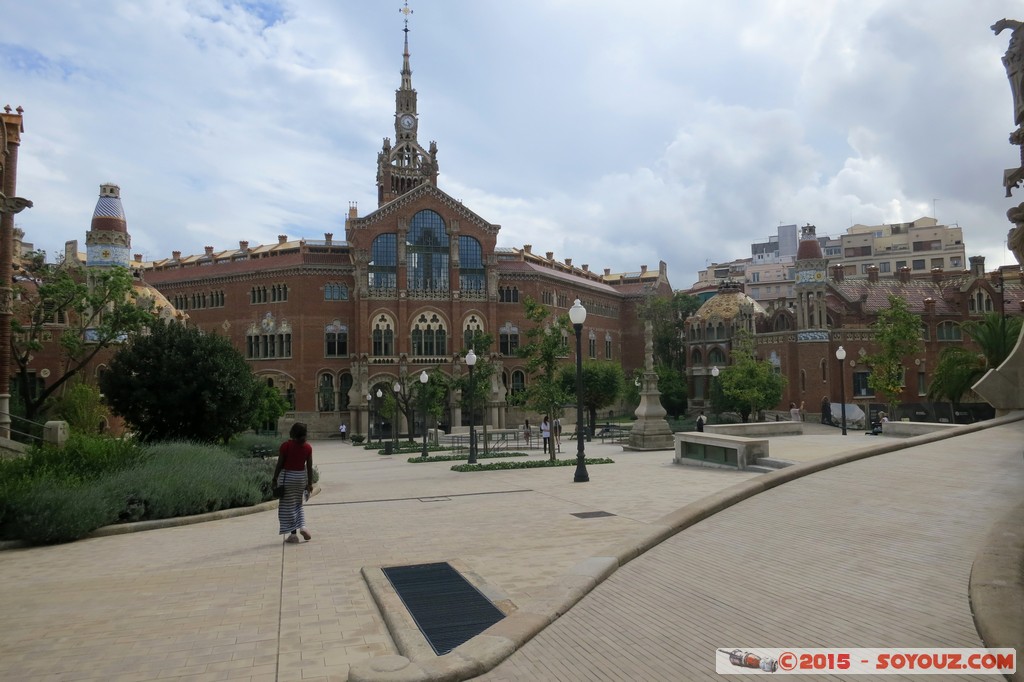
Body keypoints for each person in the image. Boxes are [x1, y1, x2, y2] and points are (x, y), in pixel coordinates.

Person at [273, 422, 314, 543]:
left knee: (287, 507)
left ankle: (293, 535)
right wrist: (309, 483)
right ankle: (303, 527)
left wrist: (274, 479)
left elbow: (279, 464)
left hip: (288, 477)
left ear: (293, 433)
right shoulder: (308, 447)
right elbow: (309, 467)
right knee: (298, 504)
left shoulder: (286, 446)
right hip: (300, 478)